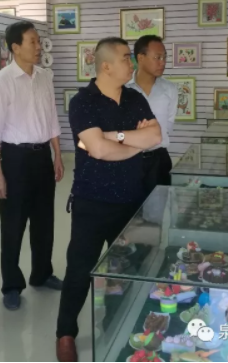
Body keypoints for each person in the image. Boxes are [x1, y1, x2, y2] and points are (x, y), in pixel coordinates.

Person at [56, 37, 162, 361]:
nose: (132, 64)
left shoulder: (134, 98)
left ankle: (119, 326)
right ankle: (65, 333)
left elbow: (155, 136)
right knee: (80, 270)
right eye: (126, 58)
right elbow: (98, 150)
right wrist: (134, 144)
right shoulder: (83, 102)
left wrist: (116, 137)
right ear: (105, 65)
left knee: (127, 268)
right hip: (92, 201)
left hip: (131, 200)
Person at [0, 21, 65, 311]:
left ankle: (42, 273)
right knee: (13, 224)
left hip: (42, 156)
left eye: (38, 41)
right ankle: (11, 285)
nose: (38, 46)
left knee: (44, 221)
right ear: (15, 47)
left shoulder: (44, 77)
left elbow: (52, 119)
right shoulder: (3, 81)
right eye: (33, 41)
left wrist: (57, 155)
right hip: (15, 160)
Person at [127, 35, 177, 196]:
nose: (163, 62)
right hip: (127, 158)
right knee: (129, 207)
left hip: (158, 160)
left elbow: (168, 125)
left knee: (158, 208)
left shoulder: (170, 89)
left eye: (164, 57)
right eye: (157, 57)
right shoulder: (123, 88)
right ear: (141, 58)